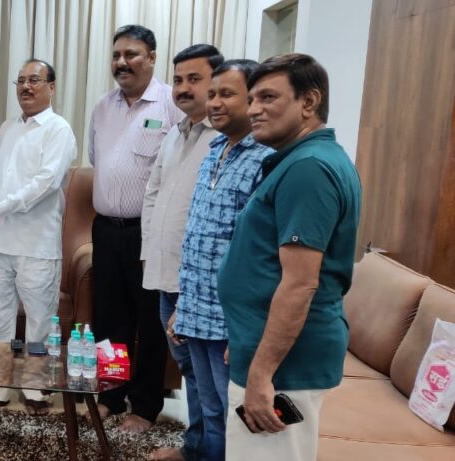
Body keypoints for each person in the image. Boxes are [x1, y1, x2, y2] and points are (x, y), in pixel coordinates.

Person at [219, 53, 361, 461]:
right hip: (268, 348)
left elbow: (300, 283)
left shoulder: (309, 169)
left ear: (309, 102)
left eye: (268, 98)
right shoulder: (300, 161)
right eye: (251, 99)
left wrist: (261, 372)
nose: (253, 110)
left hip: (286, 367)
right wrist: (244, 338)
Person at [173, 59, 272, 461]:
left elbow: (258, 253)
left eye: (226, 94)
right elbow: (197, 237)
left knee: (233, 414)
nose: (214, 103)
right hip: (196, 308)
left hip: (229, 318)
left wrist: (243, 327)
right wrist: (182, 304)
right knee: (208, 406)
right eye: (212, 94)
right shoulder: (215, 149)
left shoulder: (266, 159)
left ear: (253, 100)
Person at [0, 59, 76, 416]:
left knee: (40, 320)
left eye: (34, 80)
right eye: (20, 81)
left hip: (36, 243)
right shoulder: (8, 127)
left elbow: (47, 182)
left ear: (51, 87)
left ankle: (36, 389)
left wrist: (0, 208)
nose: (26, 87)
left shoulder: (59, 129)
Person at [89, 24, 183, 431]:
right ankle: (110, 394)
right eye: (116, 55)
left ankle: (145, 406)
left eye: (131, 54)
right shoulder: (102, 107)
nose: (122, 62)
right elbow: (98, 161)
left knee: (150, 321)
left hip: (149, 233)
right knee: (109, 319)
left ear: (152, 57)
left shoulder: (171, 104)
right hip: (106, 230)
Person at [141, 44, 223, 460]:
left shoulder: (225, 139)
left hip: (201, 284)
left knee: (213, 382)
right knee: (190, 369)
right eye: (178, 80)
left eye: (195, 79)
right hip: (166, 274)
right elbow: (153, 194)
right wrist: (149, 251)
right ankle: (195, 446)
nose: (183, 88)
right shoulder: (175, 133)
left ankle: (210, 451)